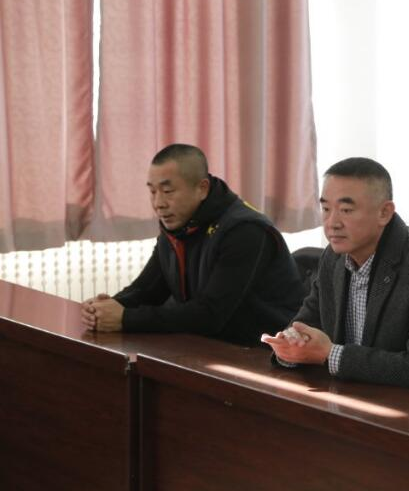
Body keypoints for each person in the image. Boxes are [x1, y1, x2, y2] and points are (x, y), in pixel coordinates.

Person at [262, 157, 409, 406]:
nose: (332, 223)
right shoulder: (333, 258)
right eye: (326, 209)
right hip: (362, 399)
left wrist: (331, 353)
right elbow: (306, 324)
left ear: (384, 213)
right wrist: (290, 347)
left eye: (346, 210)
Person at [81, 143, 305, 346]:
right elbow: (147, 289)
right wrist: (107, 308)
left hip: (263, 353)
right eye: (152, 191)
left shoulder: (245, 231)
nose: (158, 203)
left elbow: (210, 314)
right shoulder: (179, 225)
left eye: (168, 191)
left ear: (202, 188)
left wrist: (125, 318)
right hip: (208, 346)